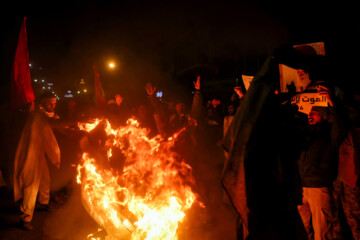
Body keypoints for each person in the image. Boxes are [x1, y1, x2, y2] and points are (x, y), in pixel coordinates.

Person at [296, 86, 347, 240]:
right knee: (301, 230)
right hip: (301, 187)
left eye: (315, 112)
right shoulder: (305, 133)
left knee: (322, 231)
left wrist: (331, 103)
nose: (310, 115)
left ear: (324, 116)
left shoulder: (330, 134)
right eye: (309, 113)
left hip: (319, 188)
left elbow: (340, 124)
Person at [13, 91, 62, 230]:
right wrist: (77, 120)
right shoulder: (37, 115)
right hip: (31, 153)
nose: (52, 105)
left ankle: (43, 203)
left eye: (54, 103)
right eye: (49, 103)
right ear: (42, 103)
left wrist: (79, 131)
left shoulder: (49, 115)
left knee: (45, 179)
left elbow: (60, 126)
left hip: (40, 154)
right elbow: (55, 123)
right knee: (31, 185)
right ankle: (25, 218)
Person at [333, 96, 360, 240]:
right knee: (341, 217)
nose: (349, 115)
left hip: (351, 181)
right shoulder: (345, 131)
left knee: (354, 218)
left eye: (351, 112)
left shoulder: (355, 132)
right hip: (342, 179)